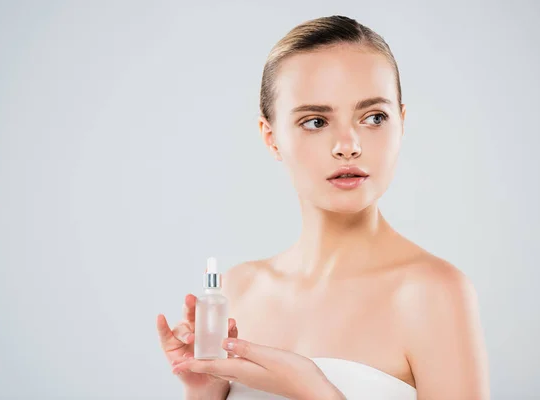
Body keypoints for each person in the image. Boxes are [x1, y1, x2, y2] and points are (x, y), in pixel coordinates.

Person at [157, 14, 490, 400]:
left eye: (374, 117)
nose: (348, 145)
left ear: (401, 122)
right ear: (271, 138)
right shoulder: (239, 290)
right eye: (316, 122)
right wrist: (203, 389)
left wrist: (318, 393)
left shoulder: (433, 293)